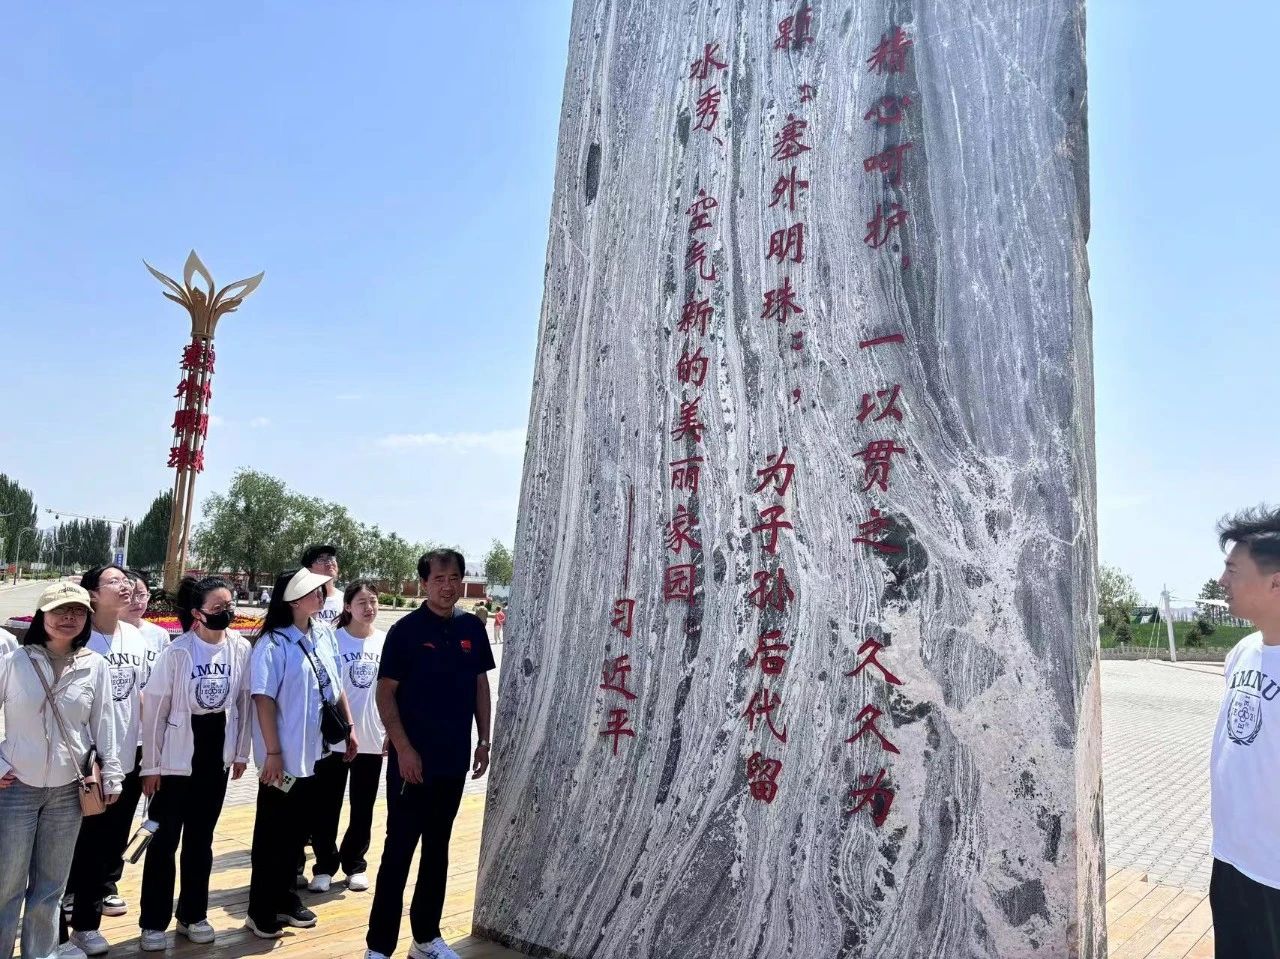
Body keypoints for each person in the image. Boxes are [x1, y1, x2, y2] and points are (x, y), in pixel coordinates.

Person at [365, 550, 495, 959]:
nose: (448, 586)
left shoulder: (472, 628)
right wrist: (403, 748)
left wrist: (484, 740)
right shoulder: (405, 631)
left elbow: (480, 686)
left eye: (454, 578)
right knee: (399, 851)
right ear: (424, 583)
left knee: (438, 849)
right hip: (412, 764)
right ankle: (379, 947)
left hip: (453, 761)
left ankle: (425, 938)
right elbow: (385, 694)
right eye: (439, 578)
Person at [0, 582, 123, 959]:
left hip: (69, 791)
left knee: (50, 888)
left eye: (78, 611)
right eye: (60, 610)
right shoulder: (15, 662)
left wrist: (112, 773)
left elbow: (105, 721)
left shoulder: (95, 665)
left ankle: (41, 954)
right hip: (16, 788)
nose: (69, 618)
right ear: (42, 616)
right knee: (6, 886)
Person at [136, 576, 252, 951]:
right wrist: (151, 766)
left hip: (215, 751)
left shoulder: (239, 647)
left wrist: (240, 752)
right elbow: (155, 711)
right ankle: (153, 922)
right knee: (164, 839)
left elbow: (244, 702)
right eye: (218, 607)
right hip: (176, 754)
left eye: (230, 605)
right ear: (197, 613)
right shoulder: (178, 652)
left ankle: (193, 914)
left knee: (201, 839)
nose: (226, 612)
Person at [246, 568, 358, 940]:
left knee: (297, 833)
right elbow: (263, 699)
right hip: (284, 759)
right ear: (293, 600)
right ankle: (261, 909)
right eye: (313, 592)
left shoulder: (323, 634)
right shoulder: (273, 644)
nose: (322, 596)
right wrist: (273, 752)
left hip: (317, 754)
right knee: (273, 833)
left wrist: (350, 728)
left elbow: (336, 685)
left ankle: (286, 899)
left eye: (322, 591)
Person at [62, 565, 150, 955]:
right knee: (76, 844)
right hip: (81, 762)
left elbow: (142, 697)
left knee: (107, 844)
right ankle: (58, 924)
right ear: (93, 594)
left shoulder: (135, 637)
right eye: (114, 581)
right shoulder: (78, 639)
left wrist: (152, 756)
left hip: (125, 758)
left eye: (126, 581)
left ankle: (86, 924)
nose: (125, 586)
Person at [1209, 506, 1280, 958]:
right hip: (1231, 860)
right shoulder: (1243, 651)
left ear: (1276, 583)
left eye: (1233, 570)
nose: (1222, 581)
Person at [308, 582, 386, 894]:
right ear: (348, 607)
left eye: (373, 601)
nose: (369, 608)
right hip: (336, 738)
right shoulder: (332, 639)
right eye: (362, 602)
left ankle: (355, 864)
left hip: (372, 737)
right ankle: (324, 866)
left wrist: (390, 731)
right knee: (326, 806)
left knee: (363, 806)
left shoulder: (385, 641)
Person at [301, 545, 343, 627]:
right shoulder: (302, 601)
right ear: (308, 569)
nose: (329, 562)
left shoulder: (346, 599)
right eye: (321, 560)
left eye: (331, 558)